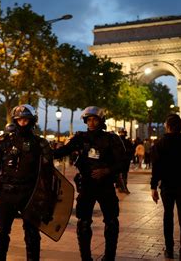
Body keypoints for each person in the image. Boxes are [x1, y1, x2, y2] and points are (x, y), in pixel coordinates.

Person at [53, 106, 125, 261]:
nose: (91, 122)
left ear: (101, 120)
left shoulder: (112, 139)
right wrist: (43, 150)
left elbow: (122, 162)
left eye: (95, 119)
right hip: (87, 185)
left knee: (112, 222)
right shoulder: (80, 138)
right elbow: (63, 151)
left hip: (106, 185)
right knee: (83, 223)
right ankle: (86, 258)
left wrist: (106, 171)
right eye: (89, 119)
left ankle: (109, 257)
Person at [0, 104, 54, 261]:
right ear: (15, 121)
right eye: (19, 119)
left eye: (26, 120)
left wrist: (47, 201)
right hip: (7, 194)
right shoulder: (2, 140)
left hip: (30, 195)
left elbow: (47, 174)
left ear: (32, 121)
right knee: (0, 232)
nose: (23, 123)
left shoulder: (41, 143)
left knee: (32, 234)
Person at [150, 114, 181, 261]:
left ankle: (169, 250)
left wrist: (153, 187)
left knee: (168, 216)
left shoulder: (159, 145)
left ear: (168, 126)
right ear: (180, 126)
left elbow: (156, 169)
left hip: (167, 186)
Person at [117, 129, 134, 194]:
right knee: (122, 174)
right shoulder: (119, 141)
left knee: (122, 174)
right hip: (122, 160)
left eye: (122, 133)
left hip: (124, 160)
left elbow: (132, 150)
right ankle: (122, 187)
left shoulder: (125, 141)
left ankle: (122, 187)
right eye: (121, 133)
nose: (122, 134)